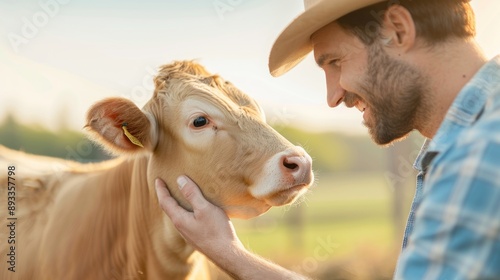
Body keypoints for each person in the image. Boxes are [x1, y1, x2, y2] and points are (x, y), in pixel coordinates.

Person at [155, 0, 500, 279]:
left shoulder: (476, 157)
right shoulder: (466, 140)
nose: (332, 96)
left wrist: (227, 254)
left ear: (398, 30)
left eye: (335, 61)